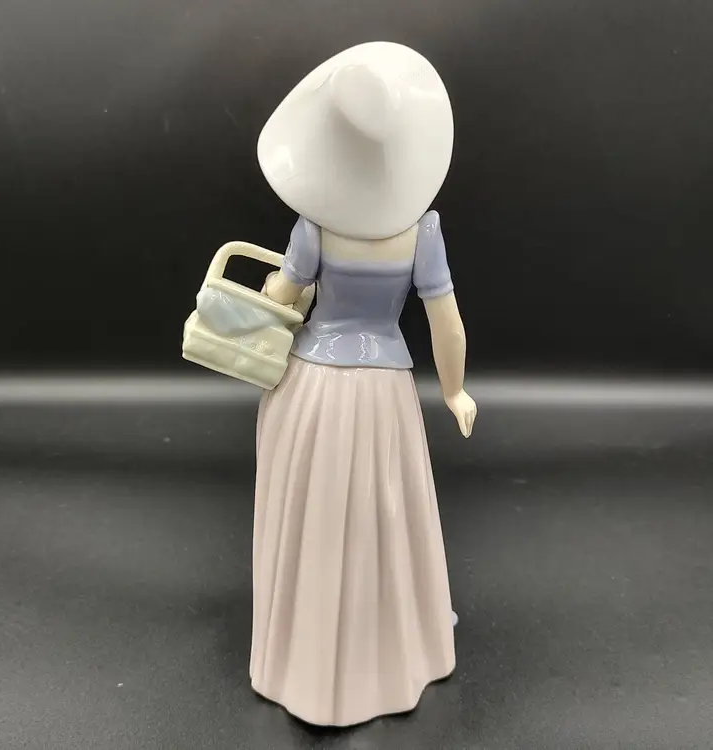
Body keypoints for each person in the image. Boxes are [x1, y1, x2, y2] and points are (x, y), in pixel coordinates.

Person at [249, 41, 477, 727]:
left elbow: (281, 300)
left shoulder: (314, 228)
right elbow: (446, 323)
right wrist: (454, 390)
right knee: (383, 517)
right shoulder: (422, 231)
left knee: (314, 518)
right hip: (384, 393)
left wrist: (277, 288)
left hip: (313, 389)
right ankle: (387, 647)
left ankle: (304, 655)